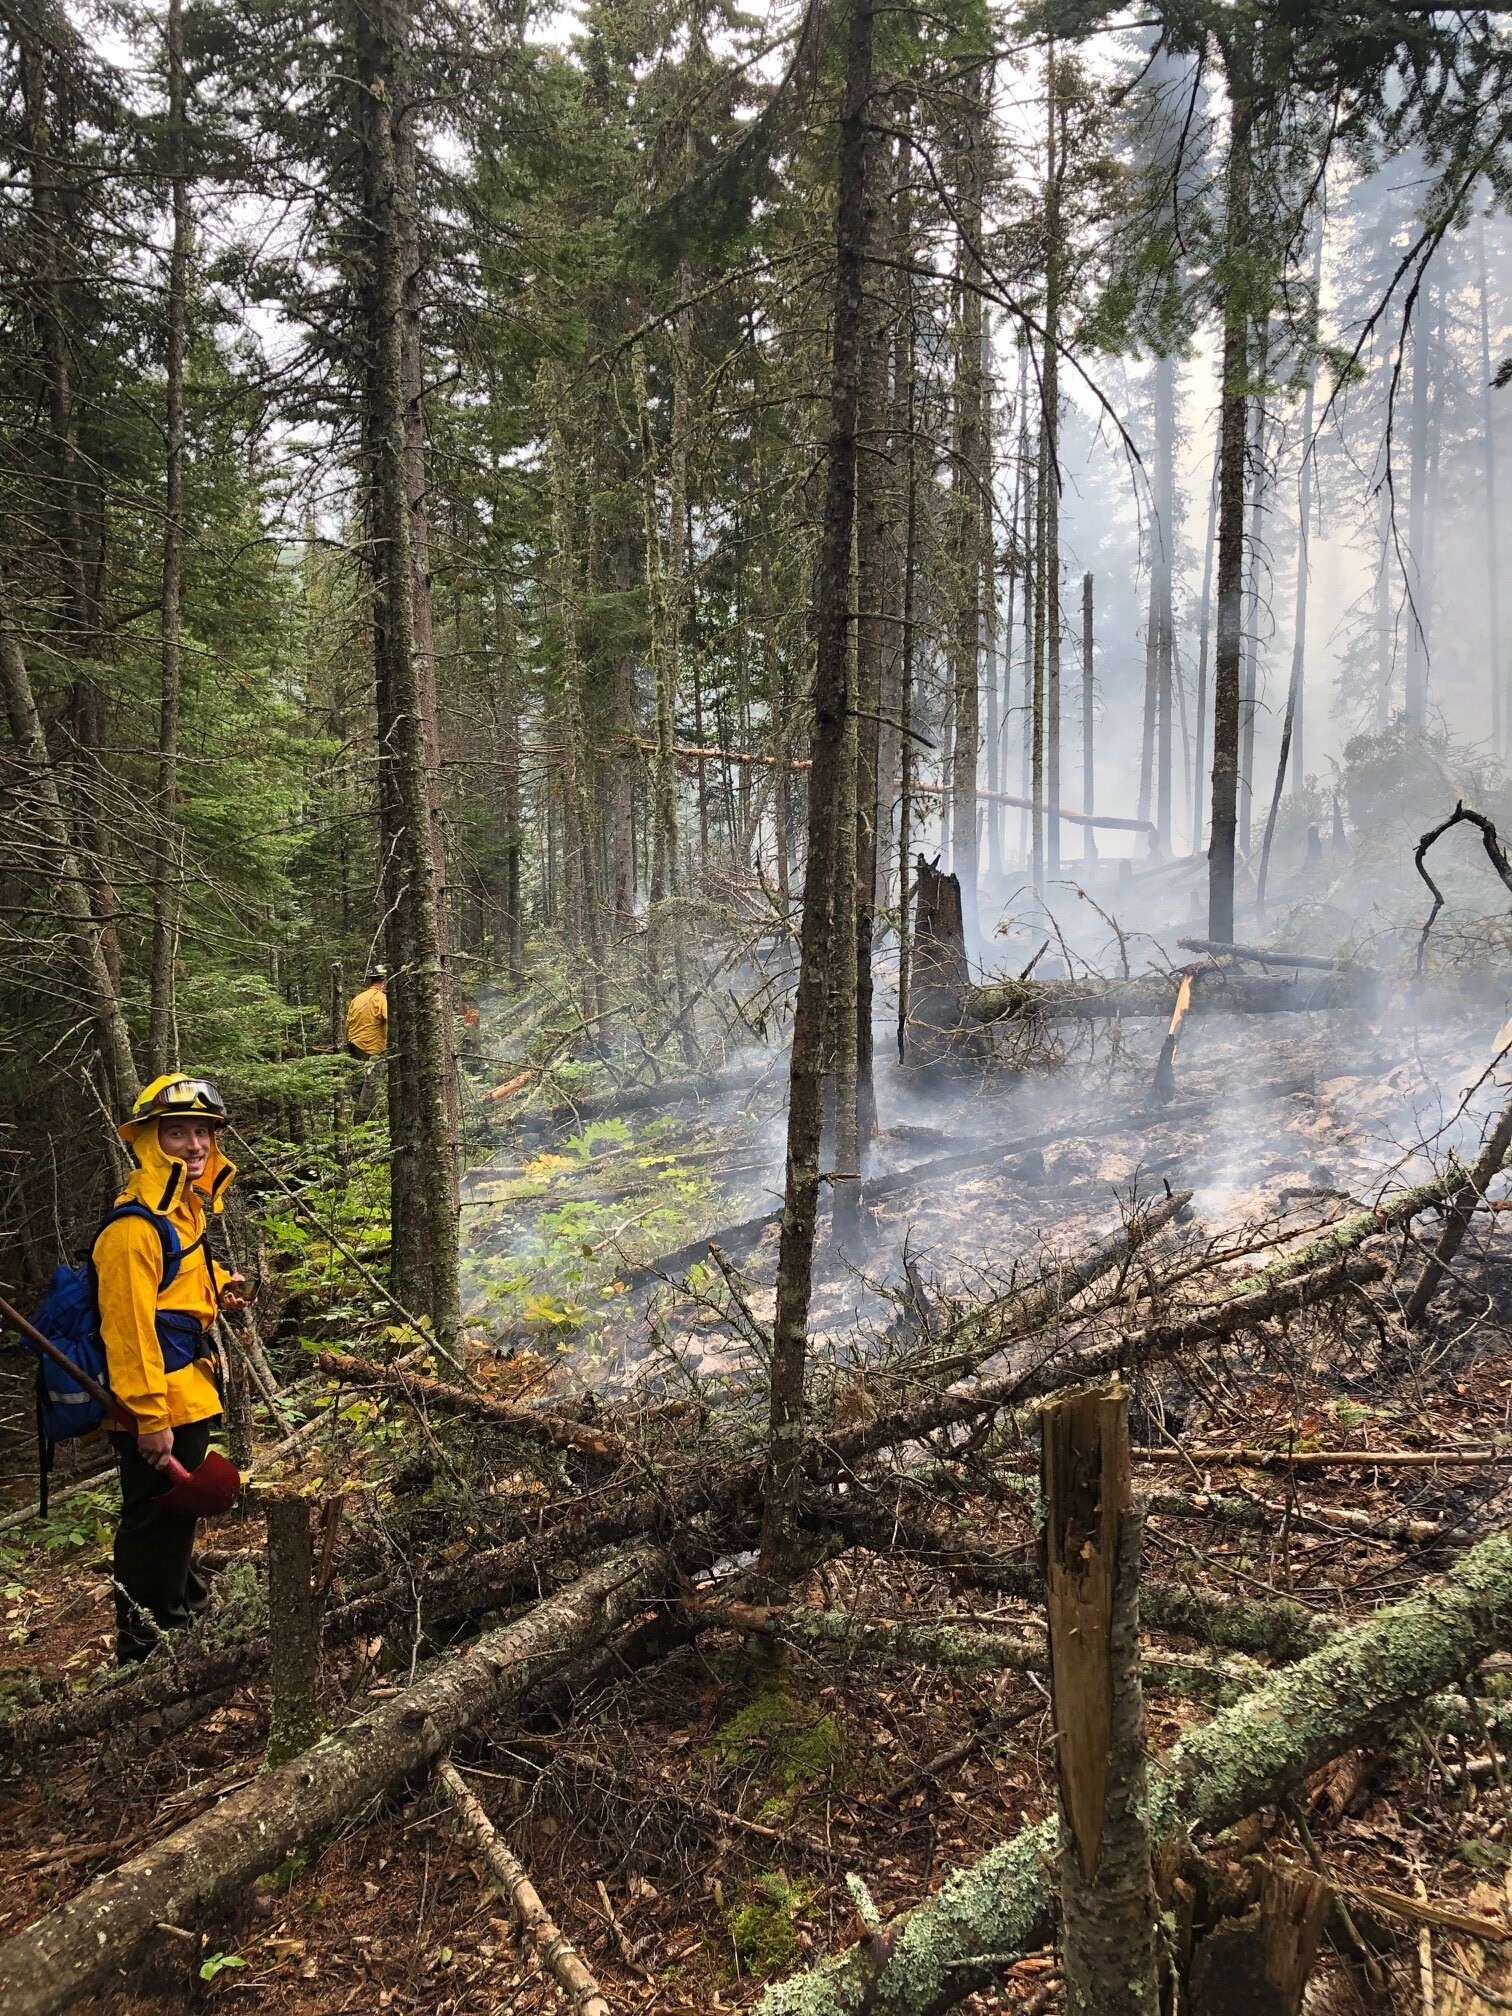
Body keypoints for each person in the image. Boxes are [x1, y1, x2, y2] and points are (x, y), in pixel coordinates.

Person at [96, 1074, 244, 1663]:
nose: (196, 1145)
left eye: (204, 1132)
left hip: (187, 1388)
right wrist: (148, 1417)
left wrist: (221, 1288)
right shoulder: (134, 1226)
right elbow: (128, 1331)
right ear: (149, 1142)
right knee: (153, 1520)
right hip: (158, 1398)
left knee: (174, 1516)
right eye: (177, 1132)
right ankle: (147, 1646)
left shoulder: (183, 1212)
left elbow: (174, 1287)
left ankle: (184, 1606)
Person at [345, 967, 389, 1120]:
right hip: (372, 1048)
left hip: (353, 1045)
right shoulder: (381, 998)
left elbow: (347, 1024)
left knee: (358, 1084)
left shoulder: (357, 999)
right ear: (383, 981)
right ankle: (363, 1120)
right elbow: (388, 1018)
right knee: (371, 1085)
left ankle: (355, 1119)